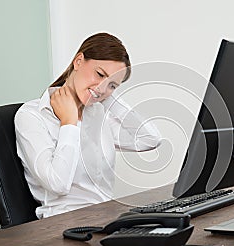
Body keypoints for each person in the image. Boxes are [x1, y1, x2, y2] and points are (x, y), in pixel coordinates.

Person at [15, 33, 161, 218]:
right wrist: (69, 122)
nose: (102, 87)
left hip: (105, 218)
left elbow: (150, 139)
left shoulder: (99, 114)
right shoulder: (32, 116)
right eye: (99, 74)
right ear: (78, 61)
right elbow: (58, 184)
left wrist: (106, 96)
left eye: (112, 85)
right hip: (61, 225)